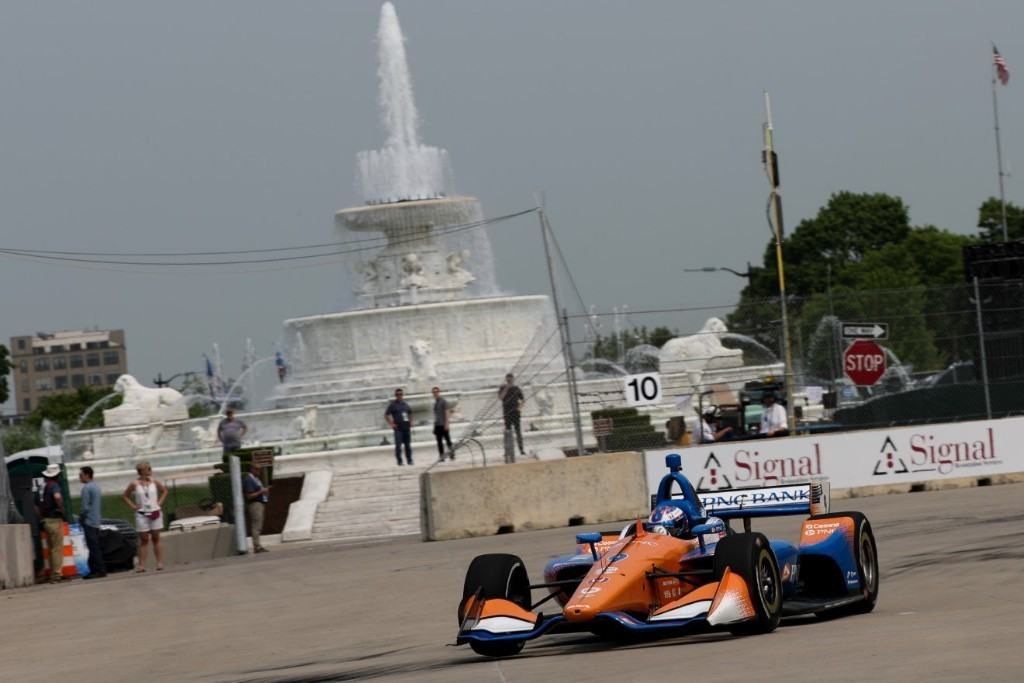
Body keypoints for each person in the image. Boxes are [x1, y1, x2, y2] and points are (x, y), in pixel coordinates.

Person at [122, 462, 168, 572]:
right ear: (141, 471)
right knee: (144, 539)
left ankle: (159, 562)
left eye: (149, 469)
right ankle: (142, 565)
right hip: (142, 513)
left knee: (156, 538)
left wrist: (160, 502)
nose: (149, 471)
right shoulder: (134, 484)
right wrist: (133, 506)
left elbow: (164, 491)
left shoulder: (154, 481)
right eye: (147, 469)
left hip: (154, 511)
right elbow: (125, 496)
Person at [35, 464, 65, 584]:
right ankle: (56, 575)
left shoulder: (41, 486)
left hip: (45, 520)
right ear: (56, 475)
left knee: (51, 549)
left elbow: (35, 506)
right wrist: (61, 508)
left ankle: (53, 574)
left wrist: (41, 517)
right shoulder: (54, 485)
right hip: (54, 519)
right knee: (57, 549)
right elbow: (57, 497)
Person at [78, 467, 107, 579]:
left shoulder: (86, 488)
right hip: (96, 520)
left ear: (87, 475)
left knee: (93, 546)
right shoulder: (96, 487)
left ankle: (99, 570)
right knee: (95, 546)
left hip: (89, 520)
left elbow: (85, 507)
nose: (79, 477)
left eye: (81, 475)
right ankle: (95, 568)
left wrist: (81, 518)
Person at [243, 462, 271, 553]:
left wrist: (264, 492)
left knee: (258, 525)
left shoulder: (256, 479)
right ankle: (257, 546)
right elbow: (249, 495)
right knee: (256, 526)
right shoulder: (249, 480)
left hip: (260, 503)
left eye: (260, 469)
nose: (259, 471)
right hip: (255, 504)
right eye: (257, 469)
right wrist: (261, 491)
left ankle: (257, 545)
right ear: (252, 469)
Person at [498, 373, 526, 457]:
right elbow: (501, 398)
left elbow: (523, 399)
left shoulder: (516, 388)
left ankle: (521, 449)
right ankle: (507, 451)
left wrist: (519, 407)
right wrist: (506, 388)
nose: (509, 381)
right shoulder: (502, 388)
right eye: (508, 379)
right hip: (507, 412)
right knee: (508, 432)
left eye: (510, 379)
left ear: (513, 379)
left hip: (515, 412)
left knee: (518, 431)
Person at [385, 388, 413, 466]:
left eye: (400, 394)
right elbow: (386, 415)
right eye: (398, 394)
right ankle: (399, 461)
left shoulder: (405, 404)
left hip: (406, 427)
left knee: (408, 445)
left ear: (402, 395)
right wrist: (391, 424)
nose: (399, 396)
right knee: (398, 446)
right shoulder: (393, 405)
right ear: (395, 395)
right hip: (398, 429)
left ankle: (409, 460)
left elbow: (410, 413)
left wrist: (410, 422)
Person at [432, 386, 454, 461]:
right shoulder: (436, 403)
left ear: (439, 392)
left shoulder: (443, 401)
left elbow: (447, 412)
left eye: (436, 392)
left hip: (443, 424)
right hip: (437, 425)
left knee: (448, 440)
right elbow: (436, 415)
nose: (435, 393)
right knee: (439, 442)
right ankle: (442, 456)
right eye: (434, 392)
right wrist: (434, 425)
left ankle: (452, 454)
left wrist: (447, 423)